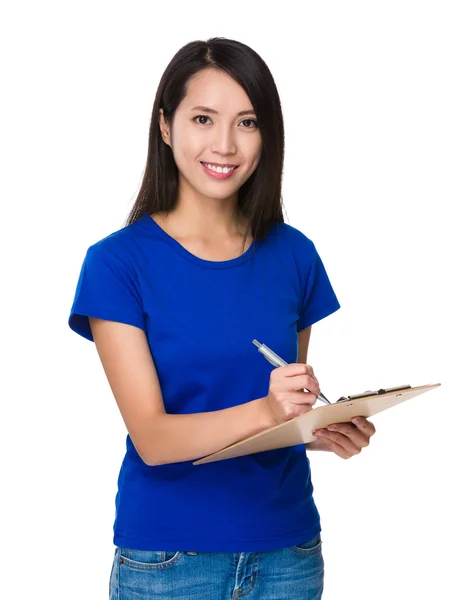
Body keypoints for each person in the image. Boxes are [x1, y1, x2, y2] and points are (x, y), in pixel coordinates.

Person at [68, 37, 376, 600]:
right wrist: (268, 409)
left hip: (288, 553)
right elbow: (155, 438)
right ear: (166, 126)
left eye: (248, 122)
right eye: (204, 119)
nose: (226, 144)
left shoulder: (294, 254)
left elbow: (275, 420)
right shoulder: (117, 264)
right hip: (168, 559)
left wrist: (316, 432)